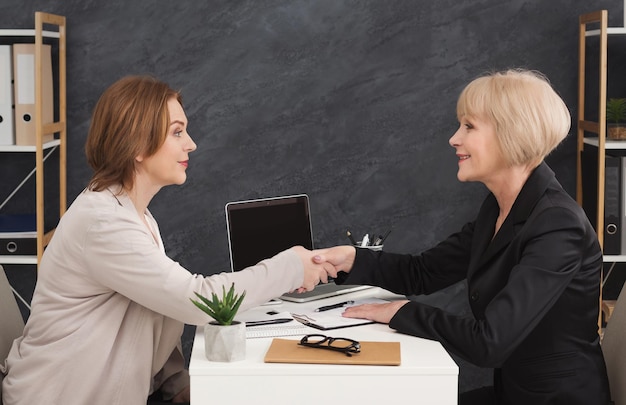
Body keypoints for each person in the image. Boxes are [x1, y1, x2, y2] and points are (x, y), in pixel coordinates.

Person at [0, 75, 329, 405]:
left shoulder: (135, 215)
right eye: (177, 131)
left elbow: (155, 310)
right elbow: (196, 300)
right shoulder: (105, 223)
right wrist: (291, 267)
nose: (191, 143)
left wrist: (176, 385)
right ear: (138, 144)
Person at [313, 69, 611, 405]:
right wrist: (351, 260)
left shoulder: (558, 225)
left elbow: (490, 342)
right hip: (515, 395)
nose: (454, 139)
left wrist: (401, 312)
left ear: (511, 134)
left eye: (469, 126)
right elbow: (423, 272)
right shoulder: (499, 209)